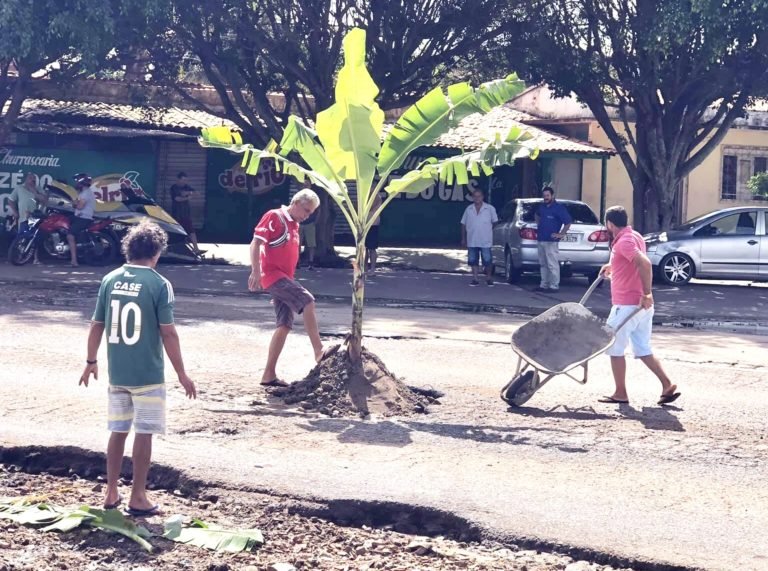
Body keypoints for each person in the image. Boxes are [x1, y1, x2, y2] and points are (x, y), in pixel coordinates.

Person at [79, 220, 196, 515]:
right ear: (156, 253)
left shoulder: (110, 279)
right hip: (148, 374)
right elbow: (168, 332)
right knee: (144, 432)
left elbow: (96, 325)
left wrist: (91, 361)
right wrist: (182, 373)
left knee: (118, 430)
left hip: (118, 373)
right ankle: (138, 496)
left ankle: (110, 492)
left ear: (128, 249)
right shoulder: (159, 284)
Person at [598, 205, 680, 405]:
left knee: (614, 347)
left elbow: (644, 263)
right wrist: (613, 265)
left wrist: (647, 293)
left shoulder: (623, 242)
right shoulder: (634, 236)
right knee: (643, 348)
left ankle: (620, 393)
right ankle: (667, 385)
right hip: (640, 307)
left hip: (628, 305)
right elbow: (630, 261)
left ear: (609, 223)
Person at [248, 189, 326, 387]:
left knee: (284, 325)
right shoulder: (275, 216)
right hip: (273, 276)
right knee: (308, 300)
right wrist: (256, 271)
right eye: (306, 211)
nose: (307, 216)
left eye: (311, 213)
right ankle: (319, 351)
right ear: (296, 202)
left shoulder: (294, 224)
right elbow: (255, 244)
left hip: (283, 279)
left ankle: (268, 375)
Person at [535, 186, 572, 292]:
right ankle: (544, 285)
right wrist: (539, 224)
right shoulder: (542, 207)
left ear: (552, 196)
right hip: (541, 239)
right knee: (543, 263)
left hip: (551, 241)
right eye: (544, 196)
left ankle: (554, 286)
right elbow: (537, 215)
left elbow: (568, 222)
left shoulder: (559, 208)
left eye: (547, 195)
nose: (546, 197)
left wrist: (561, 234)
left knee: (552, 264)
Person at [460, 189, 498, 286]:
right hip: (472, 239)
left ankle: (488, 278)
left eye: (479, 196)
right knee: (473, 260)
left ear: (483, 197)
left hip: (486, 240)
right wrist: (463, 238)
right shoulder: (469, 209)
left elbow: (495, 222)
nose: (477, 198)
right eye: (475, 196)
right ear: (472, 197)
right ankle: (475, 278)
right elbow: (463, 224)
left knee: (487, 260)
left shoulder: (490, 209)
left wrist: (488, 231)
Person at [8, 172, 47, 264]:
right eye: (30, 178)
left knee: (34, 236)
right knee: (21, 236)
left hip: (35, 217)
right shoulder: (19, 188)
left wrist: (34, 191)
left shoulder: (38, 189)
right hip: (23, 217)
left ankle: (35, 258)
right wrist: (14, 212)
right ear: (26, 179)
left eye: (34, 179)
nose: (32, 180)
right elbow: (10, 200)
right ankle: (17, 257)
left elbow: (45, 200)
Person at [68, 173, 97, 267]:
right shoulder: (83, 193)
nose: (75, 183)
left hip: (84, 218)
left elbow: (80, 206)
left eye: (77, 181)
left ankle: (74, 261)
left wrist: (74, 204)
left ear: (82, 182)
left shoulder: (86, 193)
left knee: (70, 235)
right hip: (80, 217)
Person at [170, 172, 200, 254]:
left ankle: (196, 249)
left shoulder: (187, 187)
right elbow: (177, 199)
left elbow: (197, 193)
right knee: (175, 233)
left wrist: (188, 193)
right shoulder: (174, 188)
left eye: (186, 180)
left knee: (191, 231)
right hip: (177, 214)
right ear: (178, 179)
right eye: (183, 180)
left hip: (186, 214)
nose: (184, 182)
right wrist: (187, 197)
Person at [365, 191, 383, 273]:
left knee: (372, 248)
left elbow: (371, 207)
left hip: (373, 224)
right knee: (363, 248)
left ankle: (372, 268)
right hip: (363, 224)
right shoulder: (364, 195)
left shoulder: (377, 197)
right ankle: (364, 268)